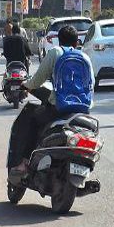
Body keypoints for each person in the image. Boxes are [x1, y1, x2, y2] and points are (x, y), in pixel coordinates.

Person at [7, 25, 92, 179]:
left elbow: (37, 80)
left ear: (59, 41)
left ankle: (25, 162)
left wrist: (25, 86)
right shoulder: (84, 57)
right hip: (83, 111)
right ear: (76, 42)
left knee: (32, 121)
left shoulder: (55, 52)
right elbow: (91, 85)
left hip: (58, 109)